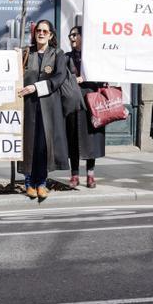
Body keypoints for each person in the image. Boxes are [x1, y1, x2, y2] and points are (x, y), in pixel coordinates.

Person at [18, 19, 69, 202]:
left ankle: (41, 182)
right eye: (38, 30)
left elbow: (60, 77)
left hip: (48, 107)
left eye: (45, 31)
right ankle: (28, 182)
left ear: (51, 35)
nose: (41, 33)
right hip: (29, 106)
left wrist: (37, 87)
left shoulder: (57, 54)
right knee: (28, 144)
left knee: (43, 145)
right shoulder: (25, 52)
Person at [64, 26, 105, 189]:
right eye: (70, 35)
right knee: (73, 138)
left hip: (92, 101)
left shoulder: (93, 57)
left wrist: (87, 77)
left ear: (83, 37)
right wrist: (75, 80)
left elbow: (103, 78)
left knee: (91, 138)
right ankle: (74, 175)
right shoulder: (66, 57)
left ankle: (90, 174)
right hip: (74, 101)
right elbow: (62, 78)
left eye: (75, 35)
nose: (72, 38)